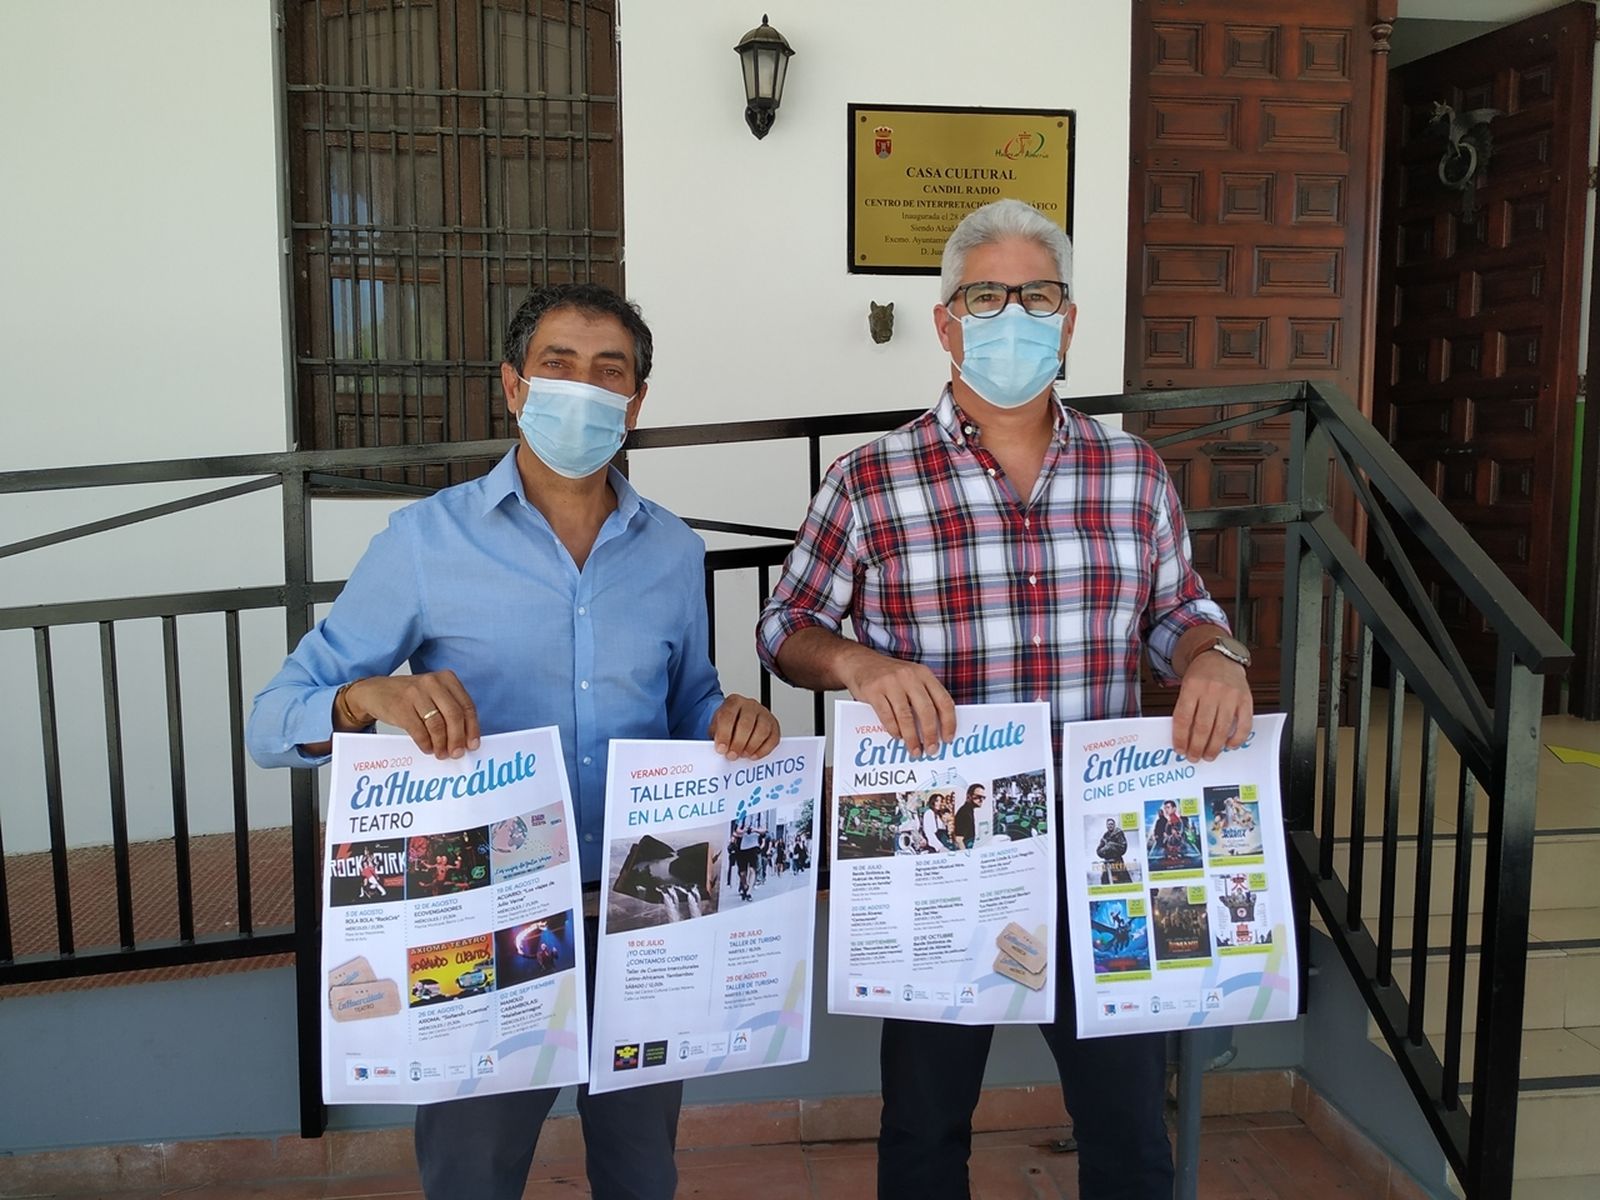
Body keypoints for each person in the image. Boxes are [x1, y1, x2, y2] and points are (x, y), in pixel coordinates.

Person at [756, 199, 1253, 1200]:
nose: (1013, 316)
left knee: (1127, 1127)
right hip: (939, 851)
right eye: (987, 296)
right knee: (924, 1126)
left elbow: (1180, 610)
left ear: (1068, 322)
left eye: (1037, 296)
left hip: (1098, 851)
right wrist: (857, 665)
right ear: (947, 324)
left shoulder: (1131, 471)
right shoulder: (868, 480)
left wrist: (1217, 657)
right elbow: (785, 627)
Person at [247, 281, 781, 1200]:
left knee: (641, 1165)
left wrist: (731, 717)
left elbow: (688, 697)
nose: (583, 388)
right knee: (474, 1170)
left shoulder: (672, 551)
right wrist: (366, 698)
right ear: (514, 386)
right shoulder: (425, 542)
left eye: (608, 372)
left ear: (636, 401)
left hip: (641, 905)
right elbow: (272, 718)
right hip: (485, 913)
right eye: (556, 365)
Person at [1095, 818, 1130, 886]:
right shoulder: (1105, 836)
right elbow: (1099, 851)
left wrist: (1111, 846)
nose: (1110, 826)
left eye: (1111, 824)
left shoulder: (1119, 833)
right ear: (1106, 826)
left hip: (1117, 862)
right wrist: (1105, 849)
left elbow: (1123, 848)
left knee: (1122, 882)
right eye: (1109, 824)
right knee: (1105, 882)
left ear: (1114, 825)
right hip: (1107, 864)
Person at [952, 783, 985, 850]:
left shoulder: (968, 810)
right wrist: (965, 855)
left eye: (983, 797)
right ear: (968, 796)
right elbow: (958, 840)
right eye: (978, 797)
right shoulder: (965, 813)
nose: (981, 800)